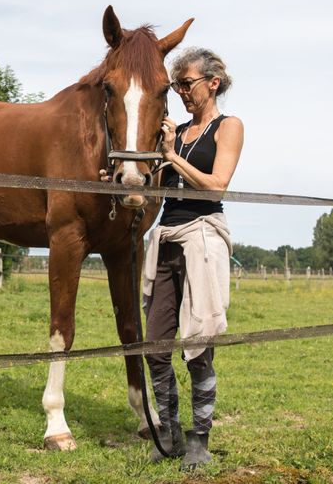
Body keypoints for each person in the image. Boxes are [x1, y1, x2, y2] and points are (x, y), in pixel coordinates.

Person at [142, 47, 244, 470]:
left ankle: (200, 439)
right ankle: (169, 430)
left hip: (203, 237)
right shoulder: (178, 133)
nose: (181, 91)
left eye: (187, 83)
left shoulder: (229, 127)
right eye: (177, 85)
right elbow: (154, 188)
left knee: (198, 346)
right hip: (166, 238)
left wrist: (172, 158)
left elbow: (216, 186)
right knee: (154, 345)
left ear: (212, 82)